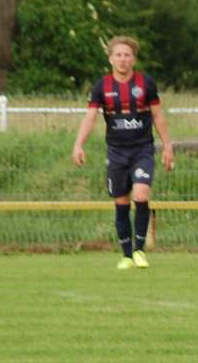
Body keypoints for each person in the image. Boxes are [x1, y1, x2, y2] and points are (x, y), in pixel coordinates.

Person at [72, 36, 174, 269]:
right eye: (118, 55)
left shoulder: (145, 83)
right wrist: (78, 145)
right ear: (110, 59)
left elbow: (158, 115)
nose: (123, 59)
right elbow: (90, 118)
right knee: (121, 201)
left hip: (142, 150)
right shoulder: (101, 87)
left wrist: (167, 145)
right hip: (117, 152)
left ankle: (139, 251)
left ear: (133, 59)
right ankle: (127, 255)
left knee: (141, 195)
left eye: (127, 55)